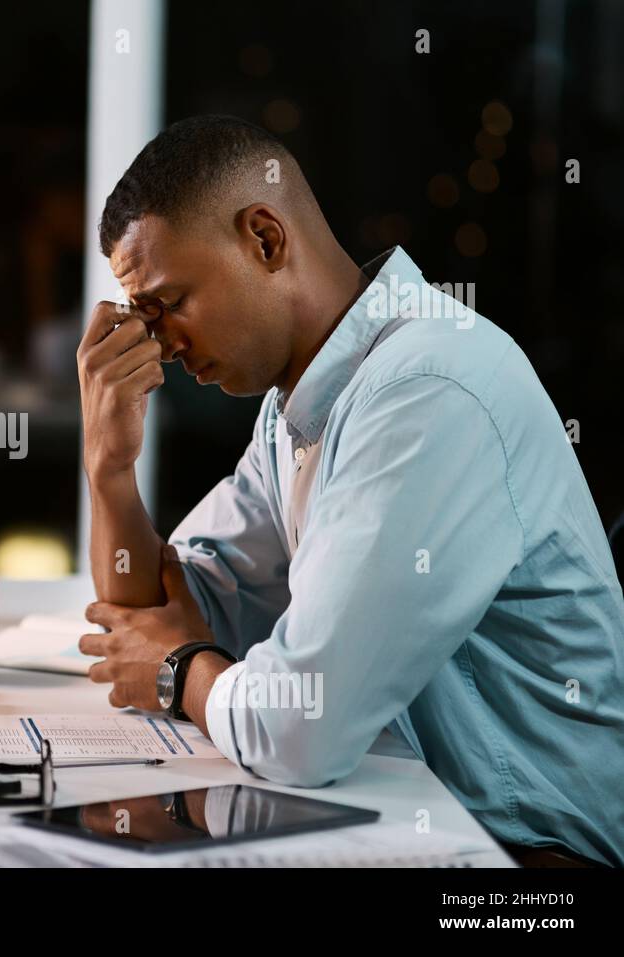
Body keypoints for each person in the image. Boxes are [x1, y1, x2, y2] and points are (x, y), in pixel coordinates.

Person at [77, 115, 624, 866]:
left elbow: (300, 729)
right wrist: (109, 465)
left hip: (533, 866)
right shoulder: (296, 410)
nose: (161, 343)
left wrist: (179, 673)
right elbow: (150, 614)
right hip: (412, 820)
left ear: (265, 239)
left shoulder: (428, 389)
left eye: (169, 300)